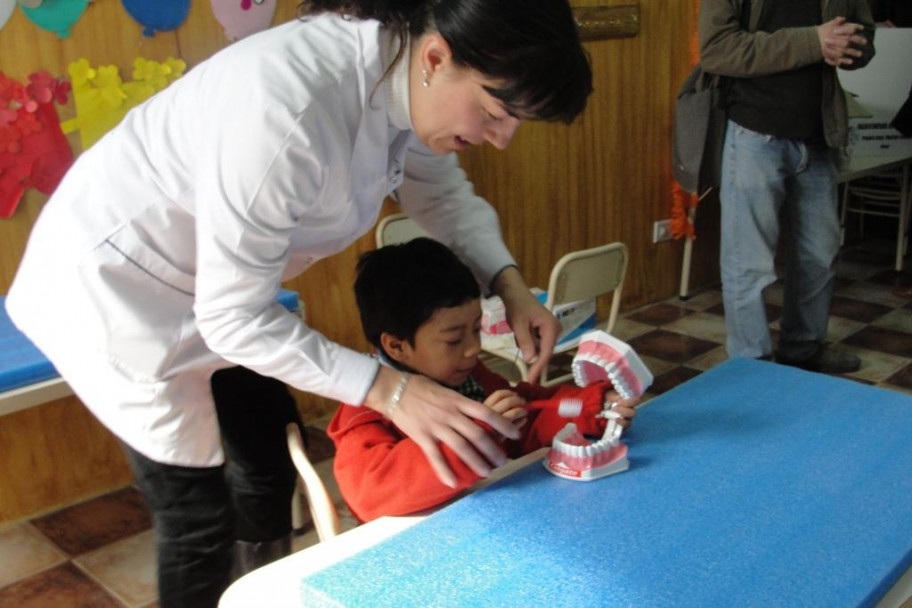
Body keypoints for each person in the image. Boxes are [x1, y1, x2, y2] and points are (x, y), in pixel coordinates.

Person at [5, 0, 593, 605]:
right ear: (437, 58)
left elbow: (442, 197)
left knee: (265, 464)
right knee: (198, 513)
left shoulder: (406, 74)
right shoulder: (285, 107)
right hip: (118, 295)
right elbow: (233, 318)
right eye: (496, 113)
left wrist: (512, 287)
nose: (500, 139)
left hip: (214, 294)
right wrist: (391, 390)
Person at [329, 238, 639, 522]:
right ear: (396, 346)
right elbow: (372, 495)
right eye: (454, 339)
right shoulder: (364, 409)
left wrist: (590, 407)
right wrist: (479, 437)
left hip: (483, 521)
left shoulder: (469, 377)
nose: (474, 348)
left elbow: (528, 415)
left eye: (476, 329)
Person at [699, 0, 876, 373]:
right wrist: (815, 41)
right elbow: (716, 49)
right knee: (748, 263)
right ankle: (752, 365)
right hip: (752, 133)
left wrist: (851, 47)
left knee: (819, 255)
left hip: (819, 134)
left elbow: (865, 37)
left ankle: (804, 349)